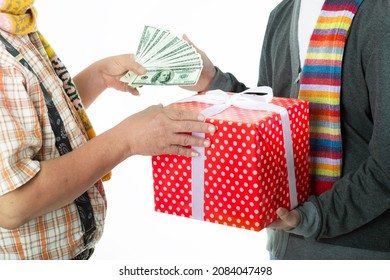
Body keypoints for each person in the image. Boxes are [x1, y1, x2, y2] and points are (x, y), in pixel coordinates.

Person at [0, 1, 216, 260]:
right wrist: (127, 139)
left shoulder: (16, 22)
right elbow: (13, 203)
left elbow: (37, 116)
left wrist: (98, 76)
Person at [183, 0, 390, 259]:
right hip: (284, 246)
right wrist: (212, 80)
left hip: (357, 251)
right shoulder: (283, 14)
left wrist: (313, 217)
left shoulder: (380, 13)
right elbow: (271, 121)